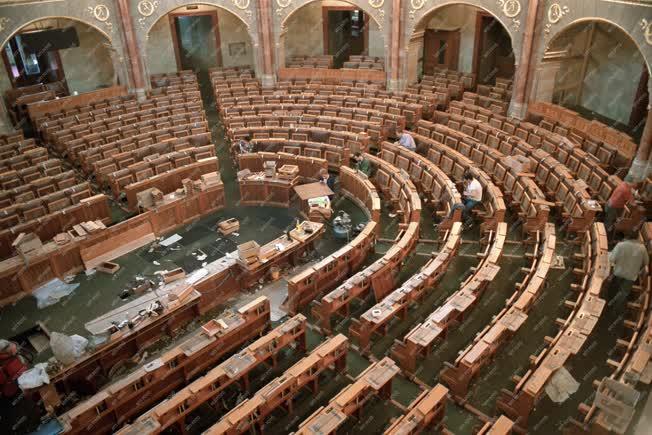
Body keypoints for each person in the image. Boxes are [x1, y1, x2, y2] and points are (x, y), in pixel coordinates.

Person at [607, 232, 648, 303]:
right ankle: (614, 305)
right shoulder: (642, 248)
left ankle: (608, 302)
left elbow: (611, 259)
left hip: (618, 272)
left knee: (613, 289)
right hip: (631, 275)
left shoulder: (620, 245)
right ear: (637, 238)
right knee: (623, 293)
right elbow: (646, 262)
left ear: (627, 237)